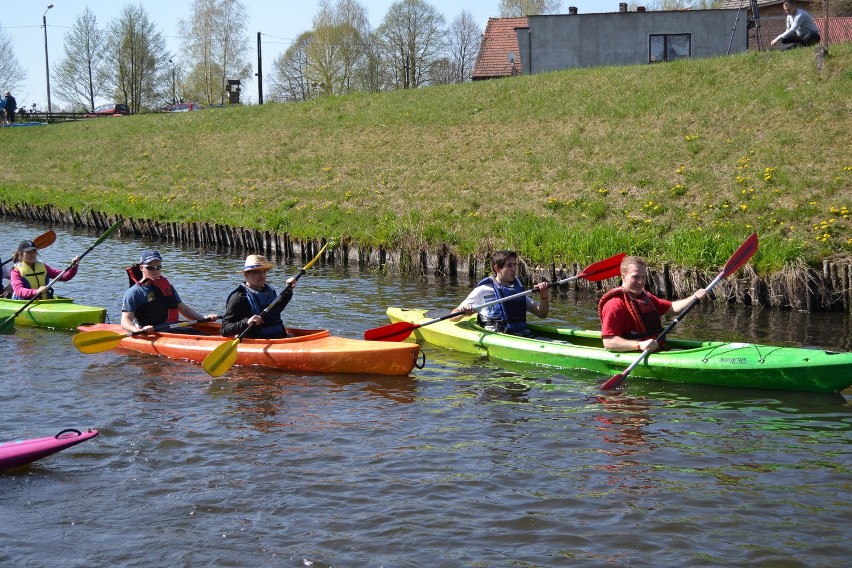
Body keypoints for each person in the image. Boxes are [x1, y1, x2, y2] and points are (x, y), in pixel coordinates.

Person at [599, 255, 707, 353]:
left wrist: (694, 297)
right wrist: (639, 345)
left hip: (655, 349)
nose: (641, 281)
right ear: (623, 277)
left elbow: (673, 308)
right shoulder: (614, 304)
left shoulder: (646, 298)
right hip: (634, 352)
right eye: (635, 277)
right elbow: (609, 343)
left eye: (643, 277)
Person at [451, 249, 549, 336]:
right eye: (509, 265)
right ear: (497, 268)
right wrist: (464, 313)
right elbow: (453, 316)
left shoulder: (516, 291)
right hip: (497, 337)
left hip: (522, 335)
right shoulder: (482, 291)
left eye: (515, 265)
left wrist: (544, 296)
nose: (514, 269)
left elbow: (542, 313)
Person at [121, 249, 218, 334]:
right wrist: (139, 331)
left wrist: (204, 318)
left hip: (174, 328)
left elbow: (184, 310)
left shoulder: (167, 287)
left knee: (203, 334)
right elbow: (125, 321)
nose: (155, 270)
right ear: (142, 268)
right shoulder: (134, 293)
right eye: (151, 267)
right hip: (154, 333)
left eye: (158, 267)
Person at [220, 255, 296, 339]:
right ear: (246, 274)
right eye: (256, 272)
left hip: (278, 338)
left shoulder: (269, 291)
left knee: (292, 336)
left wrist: (288, 290)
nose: (262, 276)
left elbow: (275, 310)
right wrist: (247, 322)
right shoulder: (238, 297)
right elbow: (224, 329)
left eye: (264, 271)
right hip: (256, 341)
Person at [10, 240, 80, 300]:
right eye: (28, 252)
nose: (32, 255)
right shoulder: (16, 271)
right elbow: (19, 290)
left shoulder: (43, 266)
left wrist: (74, 267)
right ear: (20, 254)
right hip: (24, 303)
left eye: (34, 251)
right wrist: (36, 291)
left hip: (45, 301)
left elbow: (64, 277)